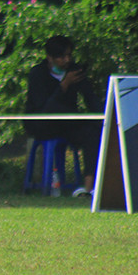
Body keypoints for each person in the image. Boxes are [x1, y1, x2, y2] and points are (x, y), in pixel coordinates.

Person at [24, 35, 104, 197]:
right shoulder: (37, 74)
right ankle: (50, 185)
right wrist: (64, 85)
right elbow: (45, 109)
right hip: (42, 124)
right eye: (61, 56)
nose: (66, 60)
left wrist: (102, 116)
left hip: (67, 122)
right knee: (51, 127)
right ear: (50, 58)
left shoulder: (74, 71)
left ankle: (89, 187)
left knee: (93, 132)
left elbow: (90, 98)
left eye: (69, 55)